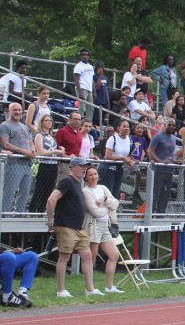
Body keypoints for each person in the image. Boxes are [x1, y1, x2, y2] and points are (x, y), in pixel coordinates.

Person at [46, 157, 99, 297]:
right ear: (73, 167)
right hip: (66, 225)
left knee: (87, 255)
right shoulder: (67, 181)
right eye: (82, 166)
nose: (84, 169)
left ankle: (90, 289)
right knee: (64, 257)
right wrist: (50, 221)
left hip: (78, 227)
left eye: (85, 166)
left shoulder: (77, 183)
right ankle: (61, 290)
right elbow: (51, 200)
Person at [82, 165, 123, 295]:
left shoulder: (103, 188)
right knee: (91, 257)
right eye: (90, 175)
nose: (93, 177)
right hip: (93, 226)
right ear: (86, 177)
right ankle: (90, 288)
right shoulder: (86, 191)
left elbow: (115, 203)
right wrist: (107, 206)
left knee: (114, 255)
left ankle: (109, 287)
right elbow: (95, 211)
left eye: (95, 174)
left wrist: (103, 201)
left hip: (106, 225)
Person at [0, 102, 36, 213]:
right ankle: (3, 216)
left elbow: (30, 142)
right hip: (13, 163)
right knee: (9, 192)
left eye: (19, 110)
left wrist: (32, 150)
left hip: (27, 164)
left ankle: (19, 216)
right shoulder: (4, 126)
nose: (17, 112)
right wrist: (24, 152)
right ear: (9, 111)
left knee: (25, 193)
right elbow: (5, 144)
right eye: (14, 110)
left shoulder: (25, 127)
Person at [147, 118, 178, 213]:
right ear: (165, 125)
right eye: (169, 125)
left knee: (165, 194)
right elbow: (150, 150)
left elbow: (170, 154)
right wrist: (160, 161)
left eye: (173, 125)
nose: (171, 127)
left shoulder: (173, 138)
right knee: (156, 193)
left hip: (169, 170)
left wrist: (176, 161)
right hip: (159, 170)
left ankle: (160, 214)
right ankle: (151, 214)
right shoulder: (158, 136)